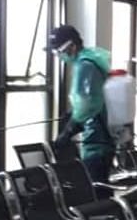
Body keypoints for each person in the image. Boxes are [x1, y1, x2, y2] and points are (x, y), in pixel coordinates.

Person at [47, 25, 116, 183]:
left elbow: (87, 106)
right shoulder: (92, 60)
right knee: (100, 186)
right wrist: (73, 112)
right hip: (104, 135)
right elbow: (93, 96)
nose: (59, 56)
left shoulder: (85, 66)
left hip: (97, 138)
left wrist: (68, 131)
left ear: (72, 46)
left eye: (60, 51)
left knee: (95, 189)